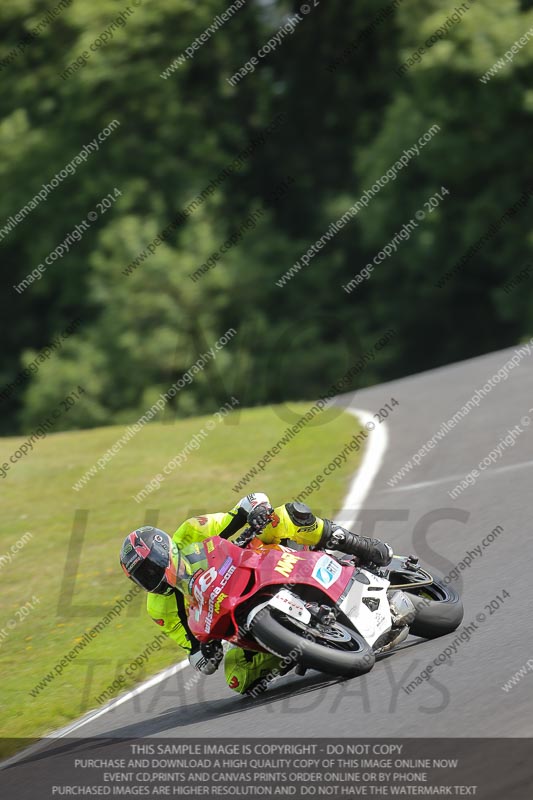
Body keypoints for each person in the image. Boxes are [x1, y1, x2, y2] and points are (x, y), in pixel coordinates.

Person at [119, 492, 393, 695]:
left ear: (165, 550)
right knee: (237, 679)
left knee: (281, 517)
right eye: (142, 577)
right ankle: (301, 647)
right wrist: (207, 653)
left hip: (255, 562)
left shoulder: (191, 531)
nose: (150, 578)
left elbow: (248, 503)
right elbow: (194, 654)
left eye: (151, 568)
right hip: (235, 609)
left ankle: (359, 545)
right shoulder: (159, 607)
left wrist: (257, 511)